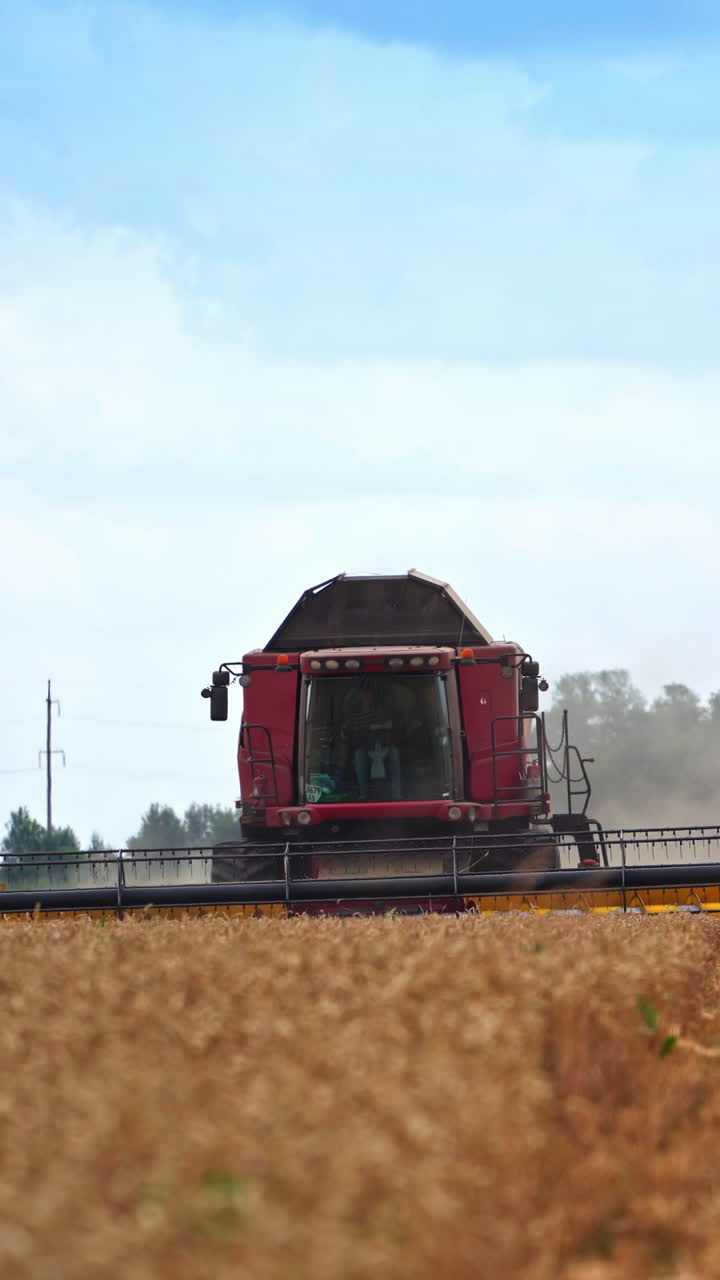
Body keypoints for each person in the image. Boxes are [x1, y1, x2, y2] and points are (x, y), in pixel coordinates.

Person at [341, 679, 418, 801]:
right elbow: (351, 729)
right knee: (359, 755)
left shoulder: (380, 711)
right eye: (364, 693)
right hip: (364, 746)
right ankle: (363, 793)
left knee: (394, 752)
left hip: (383, 743)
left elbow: (390, 724)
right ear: (359, 695)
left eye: (369, 693)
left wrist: (379, 728)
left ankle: (396, 793)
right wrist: (374, 727)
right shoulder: (354, 714)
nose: (367, 696)